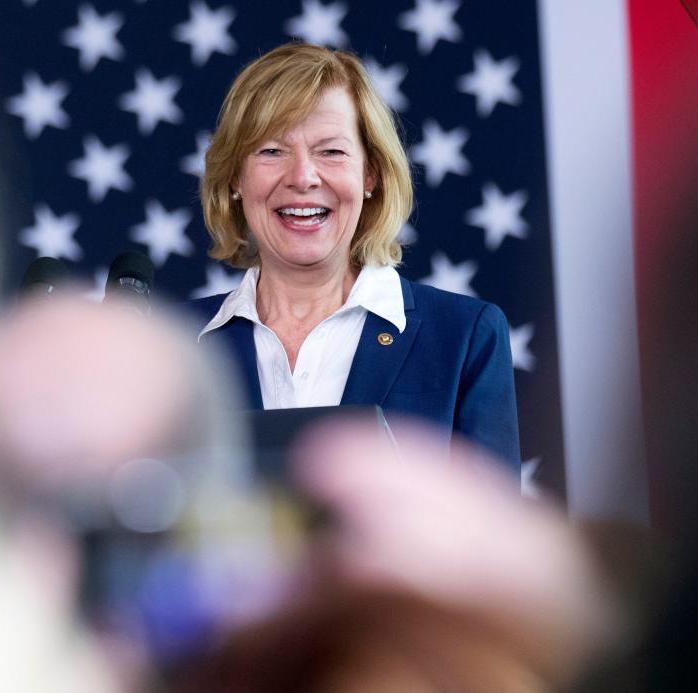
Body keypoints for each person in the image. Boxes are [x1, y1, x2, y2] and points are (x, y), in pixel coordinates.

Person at [191, 42, 520, 468]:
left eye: (331, 151)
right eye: (272, 150)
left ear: (371, 175)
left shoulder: (464, 337)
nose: (303, 177)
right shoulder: (171, 346)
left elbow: (489, 528)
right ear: (235, 176)